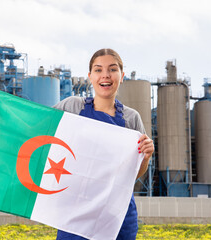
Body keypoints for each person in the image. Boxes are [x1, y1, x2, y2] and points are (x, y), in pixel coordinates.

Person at [53, 48, 154, 240]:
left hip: (117, 214)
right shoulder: (72, 107)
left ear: (121, 76)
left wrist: (146, 156)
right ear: (90, 76)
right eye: (98, 70)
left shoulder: (131, 119)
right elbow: (37, 126)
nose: (105, 75)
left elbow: (133, 175)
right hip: (76, 212)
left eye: (112, 69)